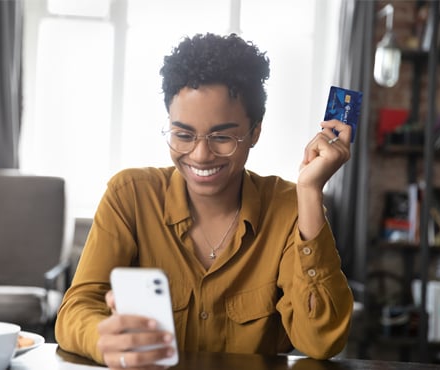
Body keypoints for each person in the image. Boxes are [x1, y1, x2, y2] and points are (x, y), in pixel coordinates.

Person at [55, 32, 354, 369]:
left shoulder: (289, 209)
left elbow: (322, 341)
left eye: (222, 137)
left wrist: (311, 191)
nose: (200, 155)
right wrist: (102, 339)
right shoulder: (130, 196)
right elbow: (76, 309)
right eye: (183, 135)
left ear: (255, 131)